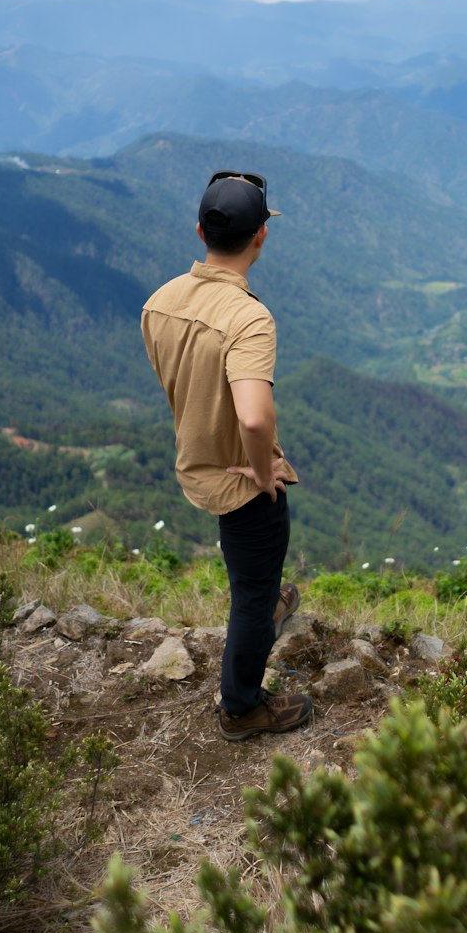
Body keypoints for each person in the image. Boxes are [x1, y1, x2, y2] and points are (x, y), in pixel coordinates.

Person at [141, 170, 312, 742]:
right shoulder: (248, 318)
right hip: (241, 481)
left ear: (200, 231)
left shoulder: (160, 302)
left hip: (197, 462)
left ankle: (267, 608)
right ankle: (241, 706)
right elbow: (255, 416)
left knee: (254, 578)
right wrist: (263, 473)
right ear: (261, 237)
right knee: (251, 592)